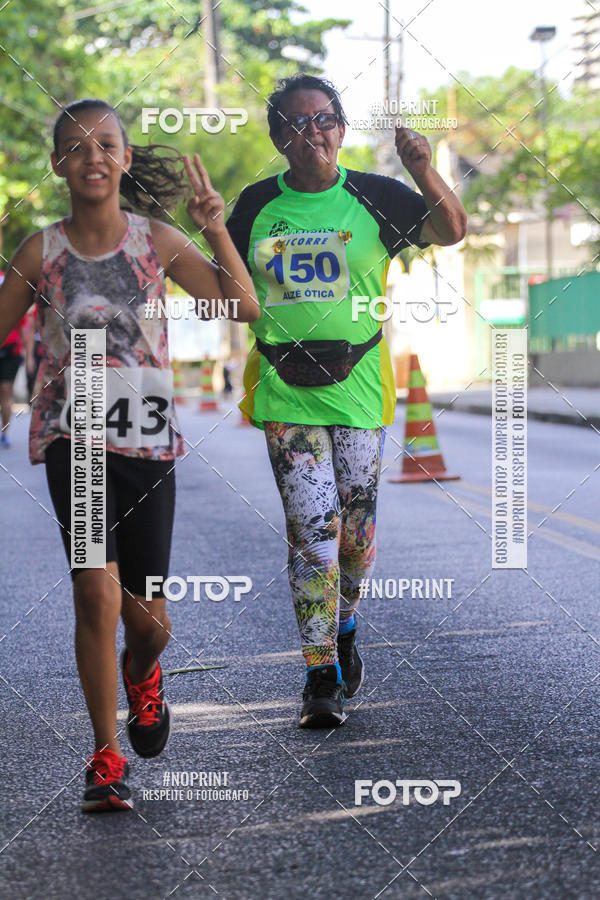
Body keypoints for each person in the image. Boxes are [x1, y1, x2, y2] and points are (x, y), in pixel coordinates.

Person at [0, 98, 258, 811]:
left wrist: (216, 231)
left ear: (124, 158)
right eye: (77, 147)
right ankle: (105, 755)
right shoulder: (40, 252)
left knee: (149, 622)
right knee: (95, 593)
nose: (93, 157)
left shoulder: (157, 241)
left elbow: (242, 307)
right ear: (58, 165)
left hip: (147, 441)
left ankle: (144, 675)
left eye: (106, 144)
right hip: (74, 444)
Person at [227, 74, 466, 728]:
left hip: (360, 388)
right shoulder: (252, 207)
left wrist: (422, 168)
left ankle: (348, 623)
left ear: (342, 127)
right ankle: (320, 673)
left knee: (356, 543)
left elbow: (451, 230)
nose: (315, 133)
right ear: (278, 137)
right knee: (315, 538)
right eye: (298, 124)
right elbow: (219, 279)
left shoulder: (375, 194)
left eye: (326, 119)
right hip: (285, 391)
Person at [0, 272, 26, 448]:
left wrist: (29, 354)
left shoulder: (9, 282)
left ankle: (5, 432)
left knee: (6, 393)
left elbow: (25, 329)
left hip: (10, 353)